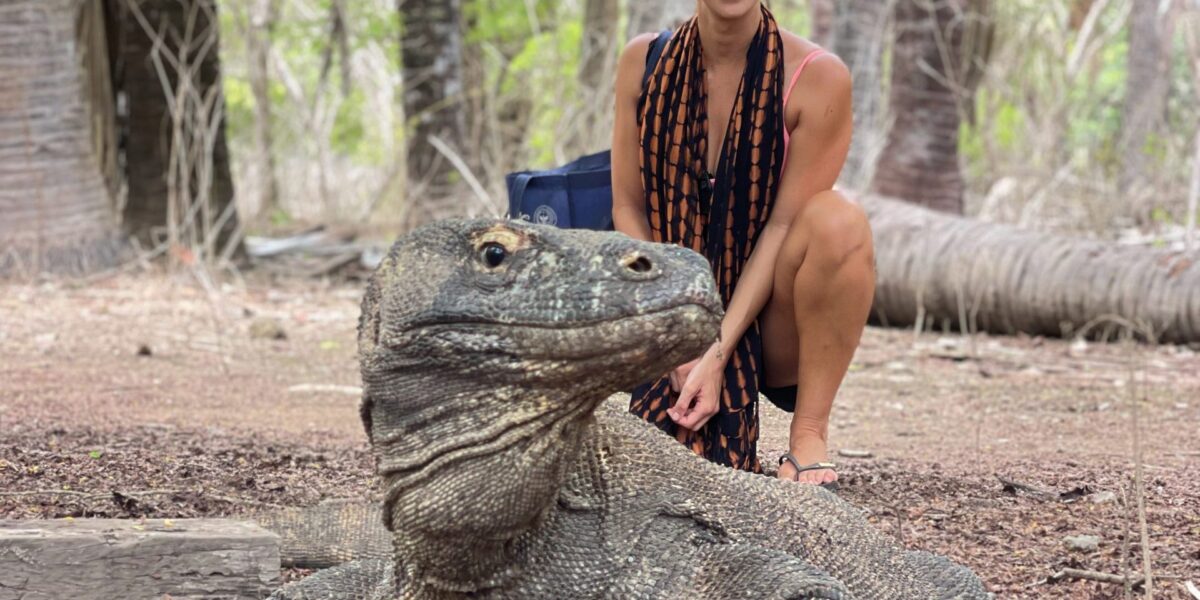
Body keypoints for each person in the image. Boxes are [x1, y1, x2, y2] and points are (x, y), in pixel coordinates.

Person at [610, 0, 874, 487]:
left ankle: (808, 436)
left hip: (766, 320)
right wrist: (677, 334)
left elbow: (782, 225)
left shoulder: (817, 78)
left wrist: (713, 350)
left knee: (840, 222)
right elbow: (627, 208)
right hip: (665, 305)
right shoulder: (643, 62)